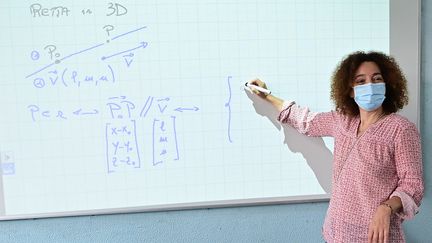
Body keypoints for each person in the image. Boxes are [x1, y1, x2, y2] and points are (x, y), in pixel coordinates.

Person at [247, 51, 424, 243]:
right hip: (335, 233)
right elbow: (306, 121)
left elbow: (412, 185)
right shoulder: (342, 121)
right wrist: (267, 96)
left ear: (387, 84)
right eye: (361, 81)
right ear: (350, 90)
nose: (370, 86)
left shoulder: (401, 129)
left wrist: (386, 208)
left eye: (377, 79)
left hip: (375, 237)